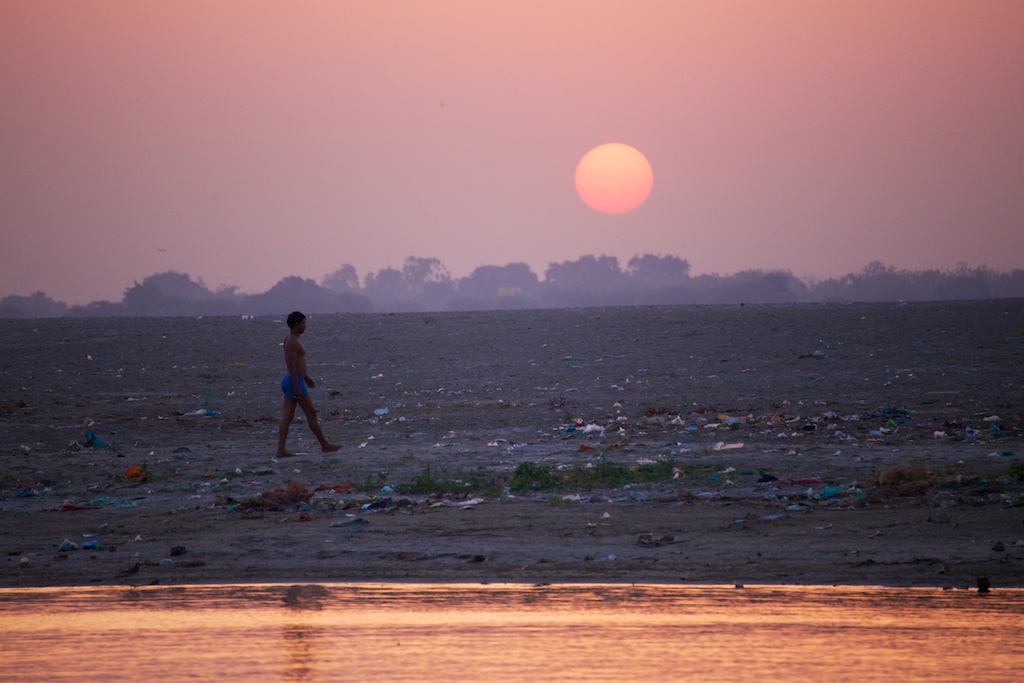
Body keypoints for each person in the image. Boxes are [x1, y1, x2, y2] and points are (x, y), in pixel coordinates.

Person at [275, 311, 342, 458]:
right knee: (311, 412)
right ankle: (324, 445)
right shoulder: (292, 341)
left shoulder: (294, 339)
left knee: (287, 417)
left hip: (295, 380)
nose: (305, 326)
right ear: (296, 324)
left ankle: (281, 450)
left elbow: (298, 364)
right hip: (294, 382)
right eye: (303, 323)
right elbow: (291, 365)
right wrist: (298, 387)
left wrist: (306, 377)